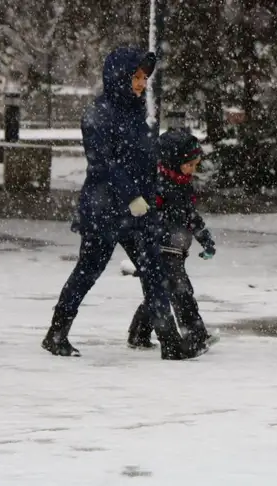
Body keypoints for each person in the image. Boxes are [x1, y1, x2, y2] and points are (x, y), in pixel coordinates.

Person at [42, 46, 198, 360]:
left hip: (137, 213)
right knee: (88, 271)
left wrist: (152, 195)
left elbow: (144, 160)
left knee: (154, 272)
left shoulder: (138, 112)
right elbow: (103, 164)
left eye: (144, 77)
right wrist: (132, 197)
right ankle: (56, 334)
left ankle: (170, 342)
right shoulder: (98, 114)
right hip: (105, 210)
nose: (142, 83)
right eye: (136, 76)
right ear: (118, 76)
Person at [126, 129, 220, 354]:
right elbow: (143, 215)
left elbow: (190, 215)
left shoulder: (182, 184)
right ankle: (195, 334)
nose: (193, 169)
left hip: (176, 247)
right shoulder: (157, 185)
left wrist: (204, 239)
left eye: (195, 164)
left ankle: (139, 334)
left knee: (160, 292)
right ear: (173, 162)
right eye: (189, 164)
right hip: (161, 247)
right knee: (181, 291)